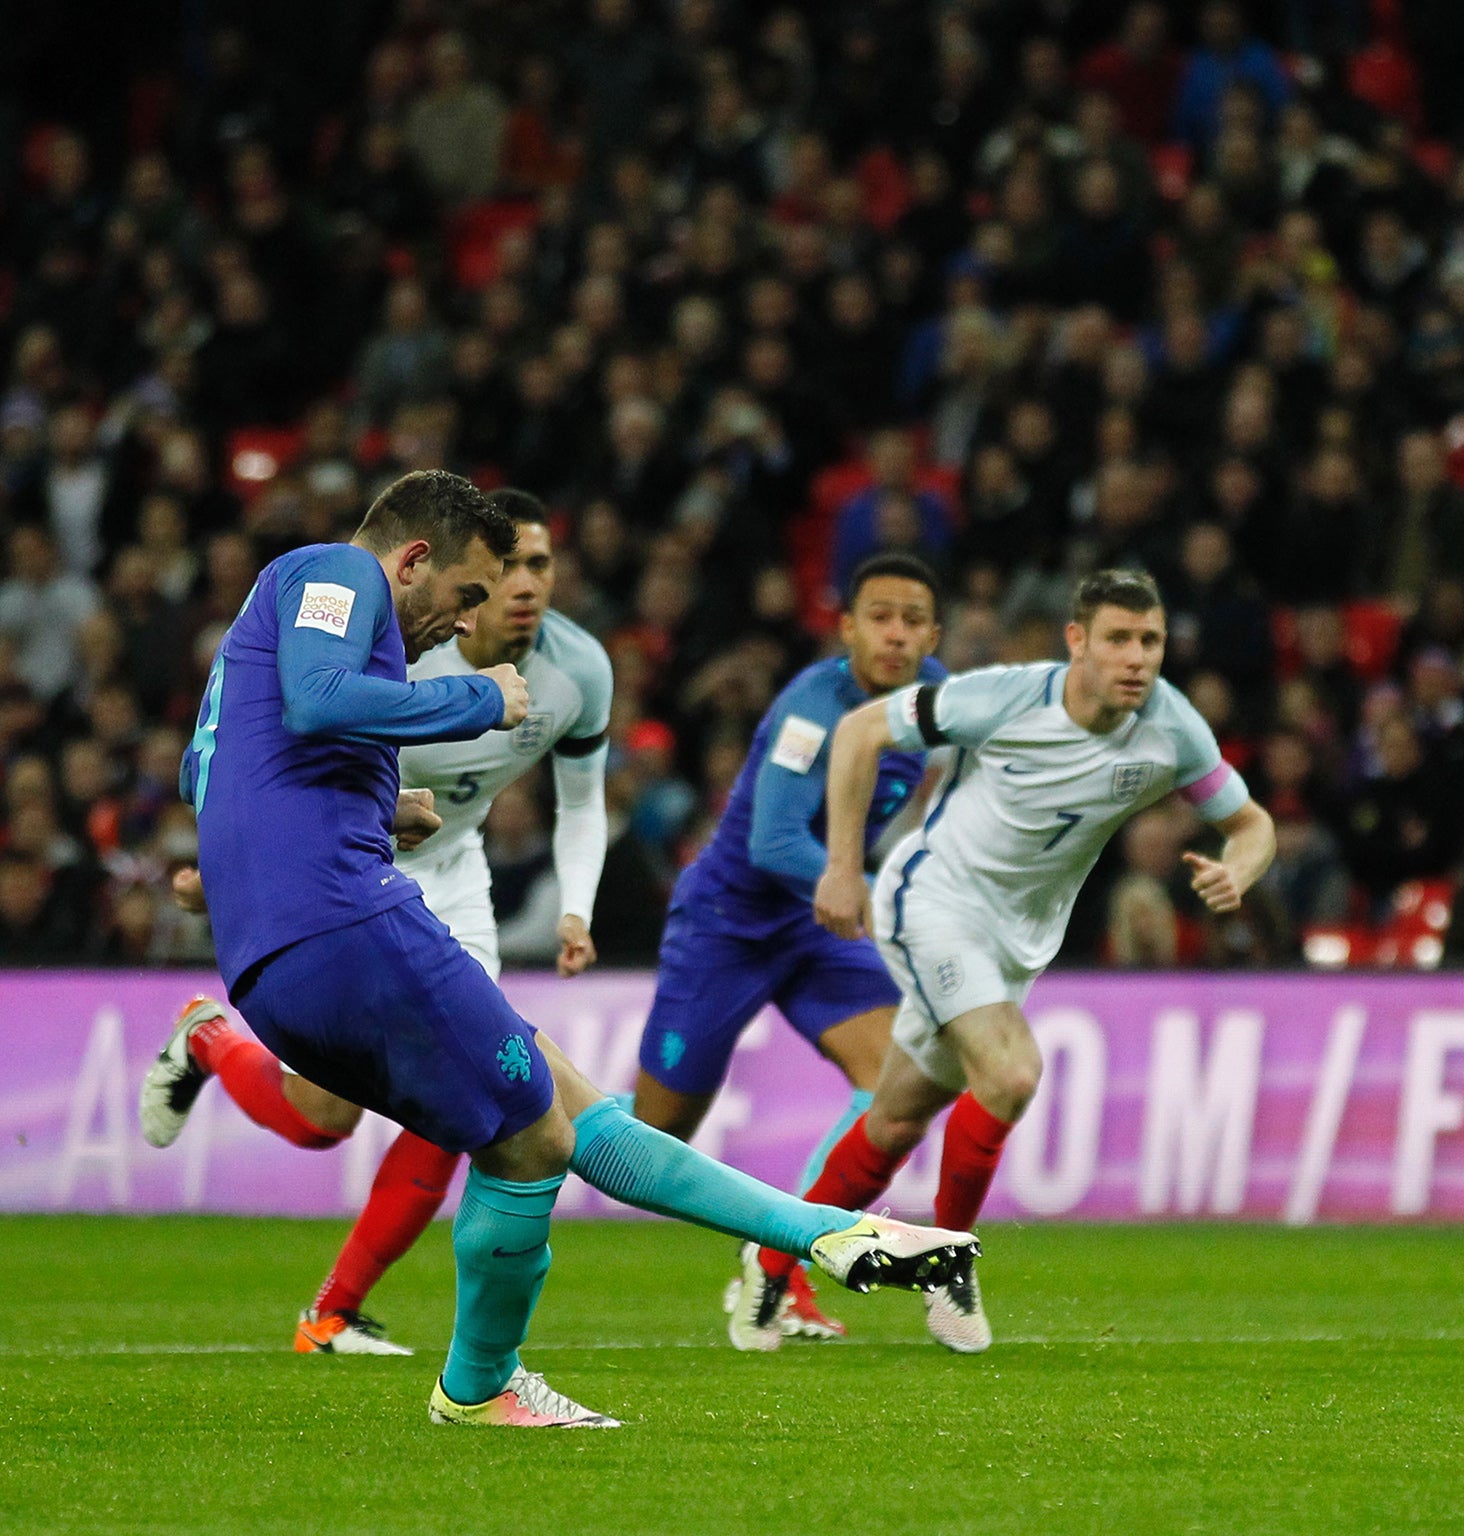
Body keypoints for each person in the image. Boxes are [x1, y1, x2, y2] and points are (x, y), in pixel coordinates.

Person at [139, 469, 975, 1428]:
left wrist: (379, 808)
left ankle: (825, 1236)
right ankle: (482, 1382)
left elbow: (227, 764)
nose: (460, 626)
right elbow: (323, 701)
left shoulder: (276, 619)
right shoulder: (337, 572)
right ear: (413, 560)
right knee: (539, 1134)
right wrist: (481, 703)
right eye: (461, 598)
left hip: (277, 961)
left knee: (546, 1112)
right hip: (348, 926)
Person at [729, 569, 1276, 1353]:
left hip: (1015, 942)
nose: (1136, 659)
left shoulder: (1172, 728)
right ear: (1077, 641)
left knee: (894, 1121)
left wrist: (1239, 869)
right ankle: (950, 1262)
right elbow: (859, 734)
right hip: (933, 901)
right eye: (1118, 639)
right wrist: (843, 868)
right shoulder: (1005, 697)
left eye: (1150, 641)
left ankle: (775, 1255)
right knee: (1012, 1071)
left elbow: (1252, 824)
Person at [143, 490, 617, 1356]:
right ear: (430, 559)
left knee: (475, 1098)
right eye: (496, 574)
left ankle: (333, 1310)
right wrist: (230, 873)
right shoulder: (383, 620)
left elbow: (583, 802)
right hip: (342, 882)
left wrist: (578, 905)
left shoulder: (577, 670)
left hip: (448, 879)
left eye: (540, 567)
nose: (516, 589)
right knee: (320, 1121)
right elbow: (296, 726)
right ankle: (210, 1040)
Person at [632, 553, 946, 1348]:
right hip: (728, 927)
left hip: (815, 932)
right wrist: (871, 890)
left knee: (893, 1089)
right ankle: (512, 1144)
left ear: (933, 634)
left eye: (913, 619)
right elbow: (774, 841)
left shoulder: (938, 700)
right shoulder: (814, 709)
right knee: (643, 1145)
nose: (897, 633)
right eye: (880, 616)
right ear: (846, 628)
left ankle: (778, 1262)